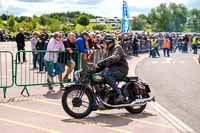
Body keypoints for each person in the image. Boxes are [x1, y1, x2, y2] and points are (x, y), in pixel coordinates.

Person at [95, 34, 129, 103]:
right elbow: (105, 63)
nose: (103, 45)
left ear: (109, 43)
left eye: (104, 43)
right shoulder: (108, 50)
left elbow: (115, 57)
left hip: (121, 69)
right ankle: (105, 92)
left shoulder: (117, 47)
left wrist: (103, 61)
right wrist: (96, 68)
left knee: (107, 75)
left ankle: (119, 95)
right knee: (97, 75)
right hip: (113, 69)